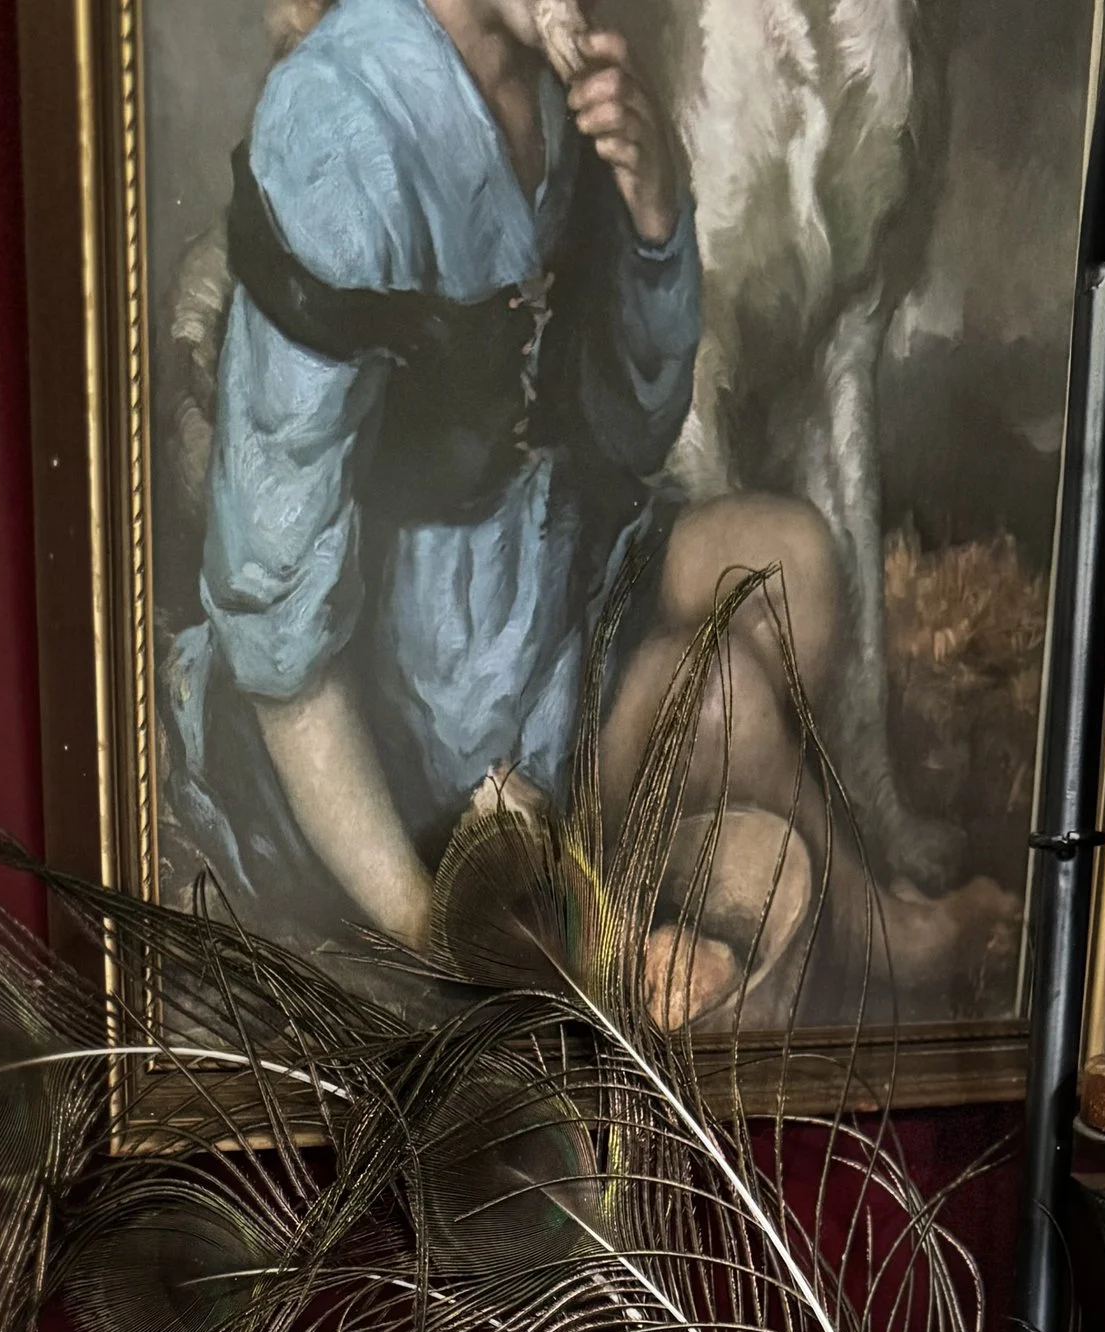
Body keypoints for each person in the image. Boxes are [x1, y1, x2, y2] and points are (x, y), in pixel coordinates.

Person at [172, 0, 741, 951]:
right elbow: (275, 612)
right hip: (417, 705)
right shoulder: (336, 121)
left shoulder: (560, 92)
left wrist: (654, 223)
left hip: (563, 582)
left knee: (799, 568)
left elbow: (632, 431)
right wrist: (426, 926)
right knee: (736, 703)